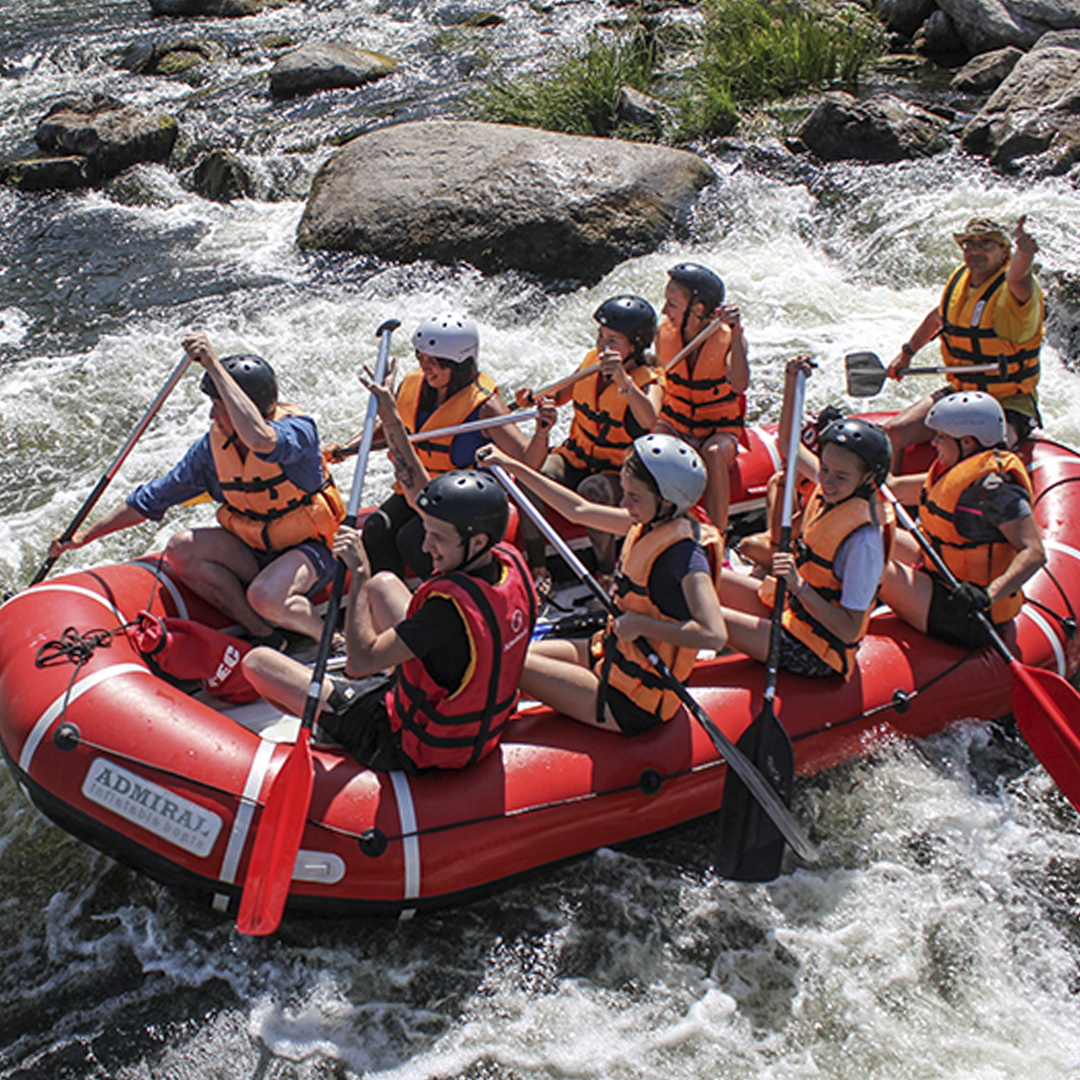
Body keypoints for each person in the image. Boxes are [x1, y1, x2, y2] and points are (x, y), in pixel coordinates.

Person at [48, 331, 344, 647]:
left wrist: (214, 365)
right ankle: (264, 635)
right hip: (254, 550)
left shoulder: (298, 431)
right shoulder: (211, 450)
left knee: (265, 594)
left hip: (311, 553)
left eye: (220, 405)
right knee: (181, 547)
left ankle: (329, 638)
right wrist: (84, 537)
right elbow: (150, 500)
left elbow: (260, 440)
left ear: (248, 407)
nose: (212, 414)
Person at [243, 467, 536, 772]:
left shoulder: (443, 614)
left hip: (406, 739)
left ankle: (336, 728)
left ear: (477, 542)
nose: (425, 546)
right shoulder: (506, 561)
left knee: (257, 663)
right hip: (470, 710)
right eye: (426, 531)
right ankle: (364, 697)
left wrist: (358, 575)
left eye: (438, 537)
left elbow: (358, 664)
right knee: (383, 584)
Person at [477, 434, 728, 734]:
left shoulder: (685, 557)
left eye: (634, 497)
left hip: (632, 701)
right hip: (609, 652)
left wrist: (640, 625)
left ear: (668, 501)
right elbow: (578, 510)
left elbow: (713, 635)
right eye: (624, 493)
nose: (624, 504)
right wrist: (511, 466)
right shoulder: (648, 523)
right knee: (511, 653)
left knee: (505, 665)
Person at [719, 358, 894, 679]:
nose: (825, 480)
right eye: (824, 469)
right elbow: (788, 444)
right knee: (701, 581)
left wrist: (799, 588)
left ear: (869, 478)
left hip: (817, 649)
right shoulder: (833, 489)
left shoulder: (863, 542)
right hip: (791, 612)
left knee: (706, 615)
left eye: (839, 476)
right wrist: (791, 380)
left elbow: (848, 628)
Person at [361, 312, 550, 580]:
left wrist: (542, 433)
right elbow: (392, 426)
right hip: (421, 487)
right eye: (421, 358)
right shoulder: (414, 385)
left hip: (465, 500)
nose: (426, 367)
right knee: (376, 528)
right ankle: (397, 601)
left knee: (413, 537)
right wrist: (349, 446)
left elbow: (528, 462)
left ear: (460, 365)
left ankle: (455, 595)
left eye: (436, 363)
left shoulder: (485, 407)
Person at [514, 295, 664, 590]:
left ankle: (608, 572)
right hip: (578, 455)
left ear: (635, 345)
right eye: (601, 337)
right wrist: (534, 397)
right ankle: (538, 569)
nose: (602, 346)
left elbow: (649, 418)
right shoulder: (592, 362)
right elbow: (560, 395)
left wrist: (624, 382)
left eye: (613, 340)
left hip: (618, 471)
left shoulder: (649, 380)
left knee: (592, 490)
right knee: (531, 479)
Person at [879, 391, 1045, 649]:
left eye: (941, 438)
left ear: (967, 442)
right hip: (940, 573)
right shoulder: (953, 472)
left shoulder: (996, 490)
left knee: (864, 559)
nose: (933, 443)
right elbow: (892, 487)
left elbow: (1034, 552)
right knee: (860, 532)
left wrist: (987, 595)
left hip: (969, 613)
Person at [883, 215, 1044, 469]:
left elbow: (1019, 277)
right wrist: (906, 353)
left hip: (1008, 401)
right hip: (963, 393)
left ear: (1004, 252)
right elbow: (938, 318)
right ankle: (888, 503)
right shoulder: (962, 281)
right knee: (893, 432)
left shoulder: (1015, 289)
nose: (976, 251)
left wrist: (1025, 254)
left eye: (986, 245)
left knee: (989, 453)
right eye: (970, 244)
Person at [653, 262, 750, 536]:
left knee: (714, 453)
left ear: (697, 310)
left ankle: (718, 535)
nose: (664, 311)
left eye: (672, 303)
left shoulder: (729, 337)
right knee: (651, 443)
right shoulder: (664, 334)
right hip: (678, 423)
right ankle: (657, 526)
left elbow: (740, 384)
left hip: (718, 431)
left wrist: (737, 333)